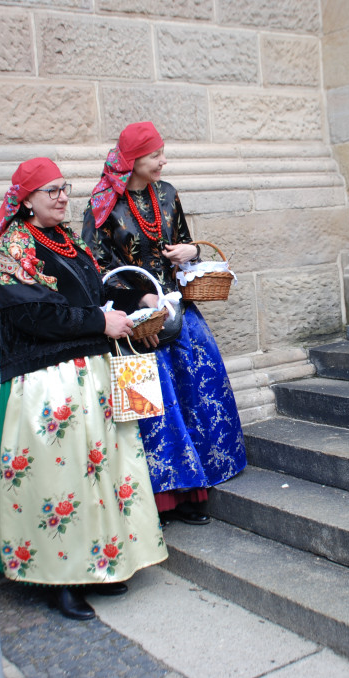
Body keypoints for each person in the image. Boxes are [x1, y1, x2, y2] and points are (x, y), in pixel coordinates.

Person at [0, 157, 167, 621]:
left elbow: (92, 294)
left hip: (92, 378)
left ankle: (103, 564)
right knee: (60, 482)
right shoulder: (16, 245)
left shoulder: (66, 239)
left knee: (100, 476)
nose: (62, 196)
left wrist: (134, 300)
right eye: (50, 191)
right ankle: (59, 580)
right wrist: (98, 321)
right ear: (25, 200)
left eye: (63, 188)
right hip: (50, 384)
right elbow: (33, 315)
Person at [82, 122, 247, 525]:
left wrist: (190, 250)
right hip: (138, 324)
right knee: (153, 405)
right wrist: (139, 297)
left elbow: (184, 250)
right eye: (155, 154)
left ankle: (202, 483)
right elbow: (96, 268)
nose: (162, 160)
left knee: (201, 384)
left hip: (177, 311)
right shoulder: (102, 205)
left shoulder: (168, 194)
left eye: (162, 153)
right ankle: (166, 498)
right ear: (133, 159)